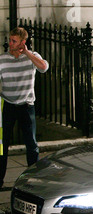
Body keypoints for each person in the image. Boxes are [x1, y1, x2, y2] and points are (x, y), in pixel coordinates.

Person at [0, 27, 49, 189]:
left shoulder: (32, 57)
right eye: (10, 39)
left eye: (14, 41)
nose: (10, 43)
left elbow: (43, 67)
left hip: (27, 106)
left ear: (22, 42)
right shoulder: (2, 59)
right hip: (8, 105)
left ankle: (31, 179)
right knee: (2, 144)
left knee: (31, 144)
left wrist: (27, 53)